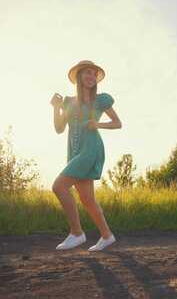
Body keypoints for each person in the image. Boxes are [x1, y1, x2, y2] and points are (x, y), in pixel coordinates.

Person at [50, 60, 122, 252]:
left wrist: (98, 125)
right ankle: (107, 236)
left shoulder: (100, 100)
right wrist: (56, 108)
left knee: (59, 186)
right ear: (79, 77)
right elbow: (59, 129)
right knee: (87, 199)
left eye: (94, 74)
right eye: (87, 73)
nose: (91, 76)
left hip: (90, 149)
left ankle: (76, 233)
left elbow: (117, 123)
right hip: (74, 150)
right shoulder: (68, 102)